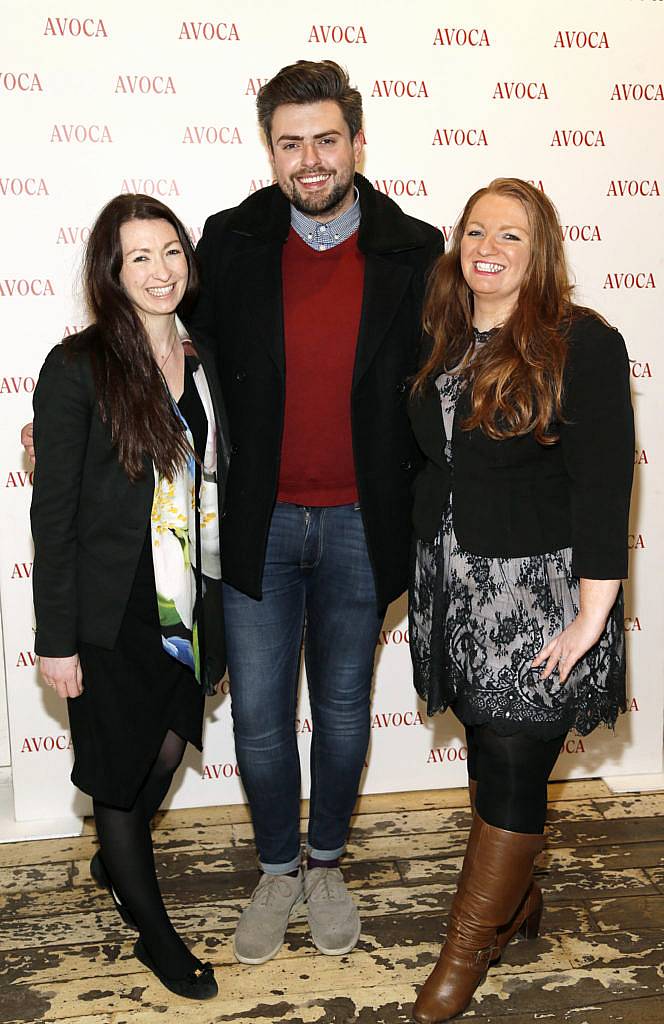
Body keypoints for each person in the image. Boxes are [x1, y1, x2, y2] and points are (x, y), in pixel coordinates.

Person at [187, 60, 444, 964]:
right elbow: (158, 340)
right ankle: (275, 870)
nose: (309, 159)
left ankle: (325, 862)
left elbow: (456, 377)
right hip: (260, 521)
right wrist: (68, 412)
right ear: (270, 148)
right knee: (257, 715)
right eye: (290, 142)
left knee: (341, 710)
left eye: (325, 139)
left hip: (361, 529)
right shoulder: (227, 242)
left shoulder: (416, 251)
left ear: (357, 141)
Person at [407, 178, 634, 1022]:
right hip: (455, 584)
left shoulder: (582, 342)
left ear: (541, 252)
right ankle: (520, 899)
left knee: (510, 758)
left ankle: (467, 951)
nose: (489, 249)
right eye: (475, 232)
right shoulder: (443, 335)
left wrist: (592, 615)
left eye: (511, 235)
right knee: (490, 750)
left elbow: (605, 484)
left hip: (541, 592)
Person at [30, 194, 230, 1000]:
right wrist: (57, 638)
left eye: (171, 251)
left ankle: (115, 860)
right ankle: (156, 935)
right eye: (139, 256)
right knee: (119, 774)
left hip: (182, 604)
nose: (160, 269)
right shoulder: (77, 365)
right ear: (111, 272)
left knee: (168, 749)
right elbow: (56, 513)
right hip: (110, 613)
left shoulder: (202, 356)